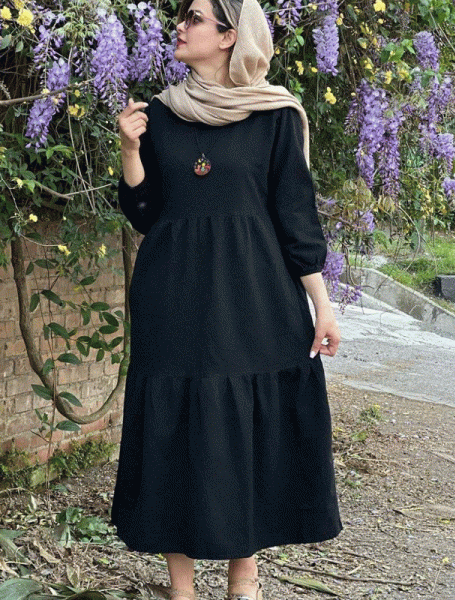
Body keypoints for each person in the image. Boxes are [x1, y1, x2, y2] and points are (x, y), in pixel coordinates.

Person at [111, 0, 342, 597]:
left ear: (228, 36)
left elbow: (295, 215)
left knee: (248, 430)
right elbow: (145, 214)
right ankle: (181, 589)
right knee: (176, 431)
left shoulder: (275, 114)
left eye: (193, 18)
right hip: (173, 296)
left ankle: (245, 580)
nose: (179, 27)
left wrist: (323, 304)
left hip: (254, 299)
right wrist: (131, 153)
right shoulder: (160, 113)